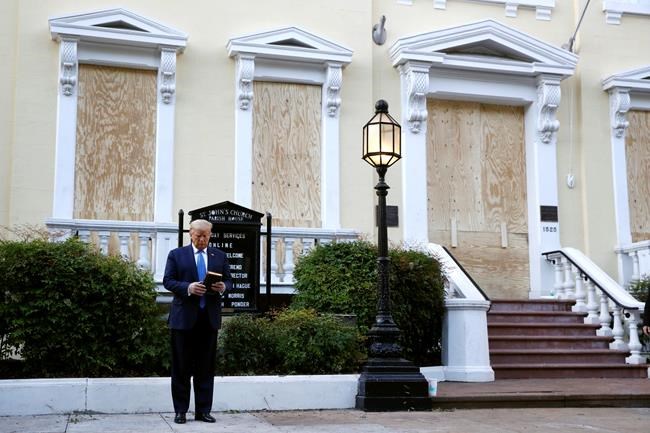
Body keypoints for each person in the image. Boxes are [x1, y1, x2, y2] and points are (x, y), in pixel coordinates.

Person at [163, 219, 232, 424]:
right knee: (181, 367)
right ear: (190, 234)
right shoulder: (177, 255)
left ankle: (203, 410)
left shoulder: (219, 256)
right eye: (198, 235)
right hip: (183, 319)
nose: (202, 239)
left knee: (205, 367)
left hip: (208, 319)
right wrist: (188, 287)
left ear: (210, 235)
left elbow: (229, 280)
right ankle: (181, 411)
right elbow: (168, 280)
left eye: (206, 235)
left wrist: (223, 287)